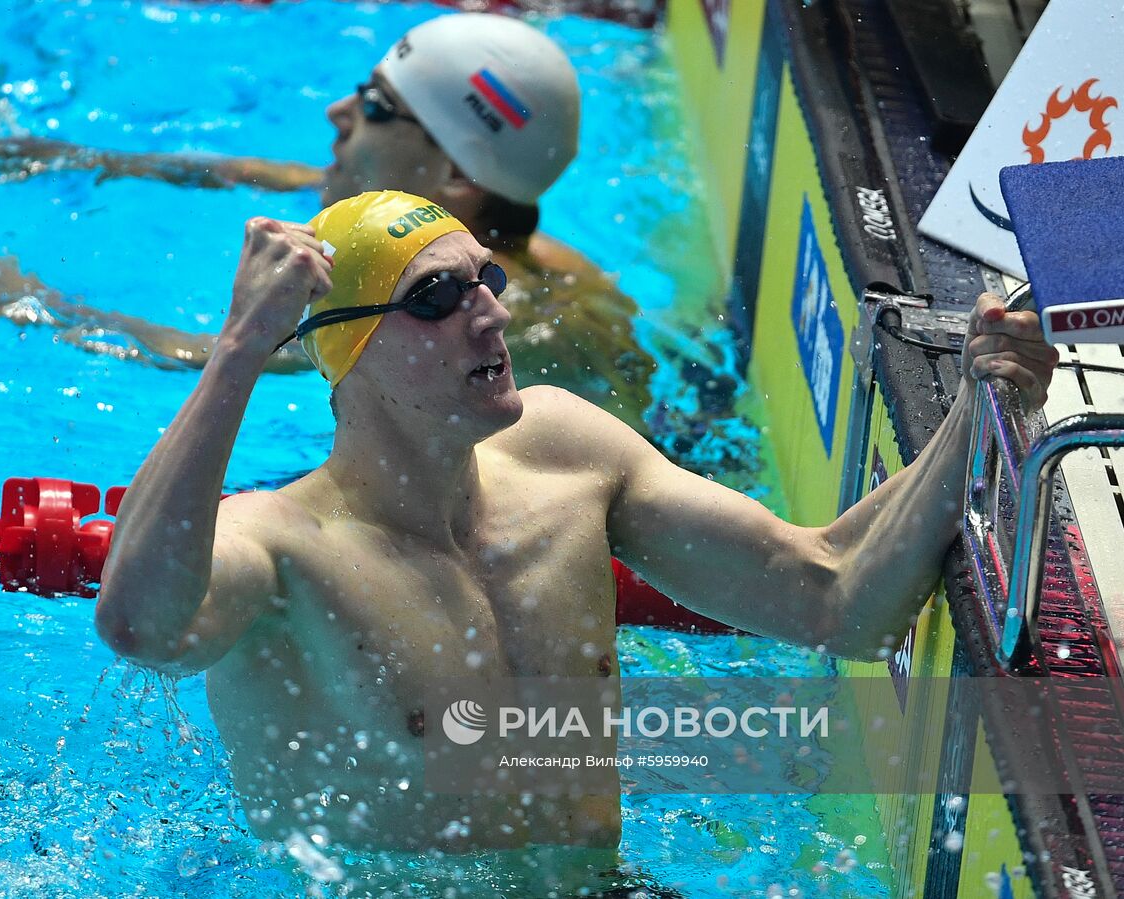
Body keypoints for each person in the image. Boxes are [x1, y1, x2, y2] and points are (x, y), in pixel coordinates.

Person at [92, 192, 1058, 893]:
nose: (492, 313)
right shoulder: (280, 549)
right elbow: (138, 623)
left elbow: (836, 596)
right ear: (349, 352)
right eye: (437, 297)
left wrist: (983, 397)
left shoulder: (562, 452)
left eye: (488, 278)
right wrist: (237, 351)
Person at [0, 14, 663, 436]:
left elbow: (208, 359)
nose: (336, 112)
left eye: (373, 108)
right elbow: (286, 175)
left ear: (456, 175)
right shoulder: (490, 233)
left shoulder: (462, 309)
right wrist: (87, 158)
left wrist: (20, 295)